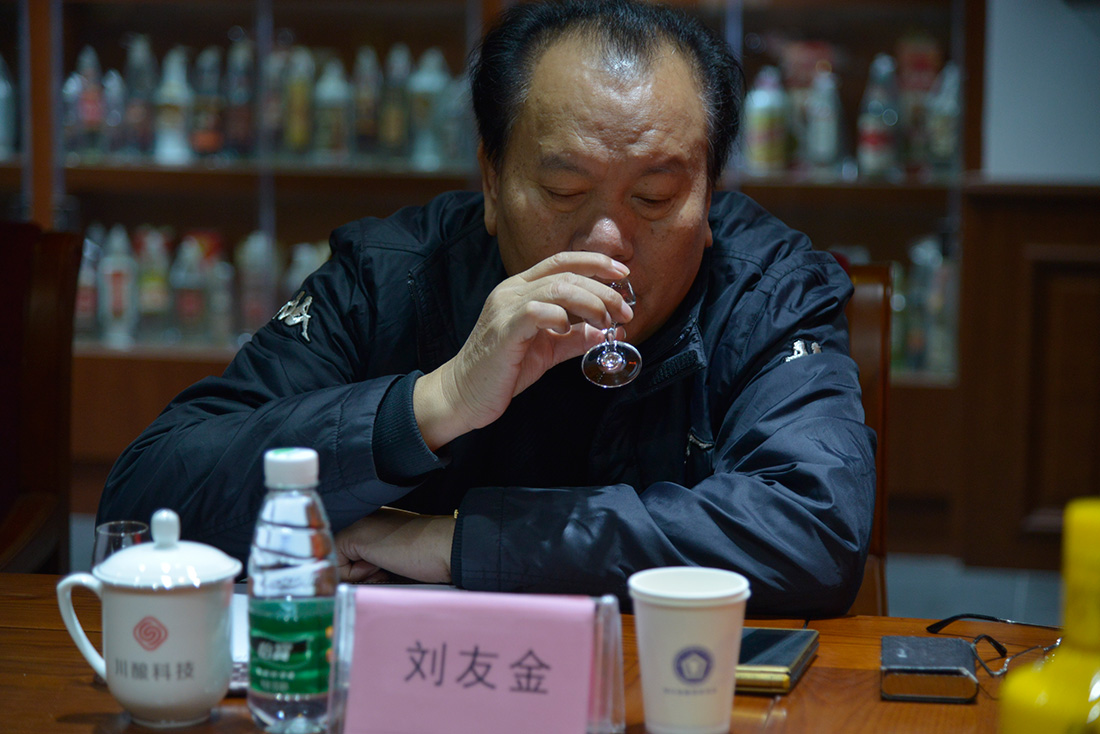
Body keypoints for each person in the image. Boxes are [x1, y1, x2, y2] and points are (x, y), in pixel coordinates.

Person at [97, 0, 875, 617]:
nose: (608, 240)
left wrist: (453, 543)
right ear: (492, 183)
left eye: (656, 196)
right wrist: (432, 402)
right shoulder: (392, 277)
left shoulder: (766, 289)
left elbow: (813, 527)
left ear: (709, 200)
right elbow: (142, 504)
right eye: (565, 191)